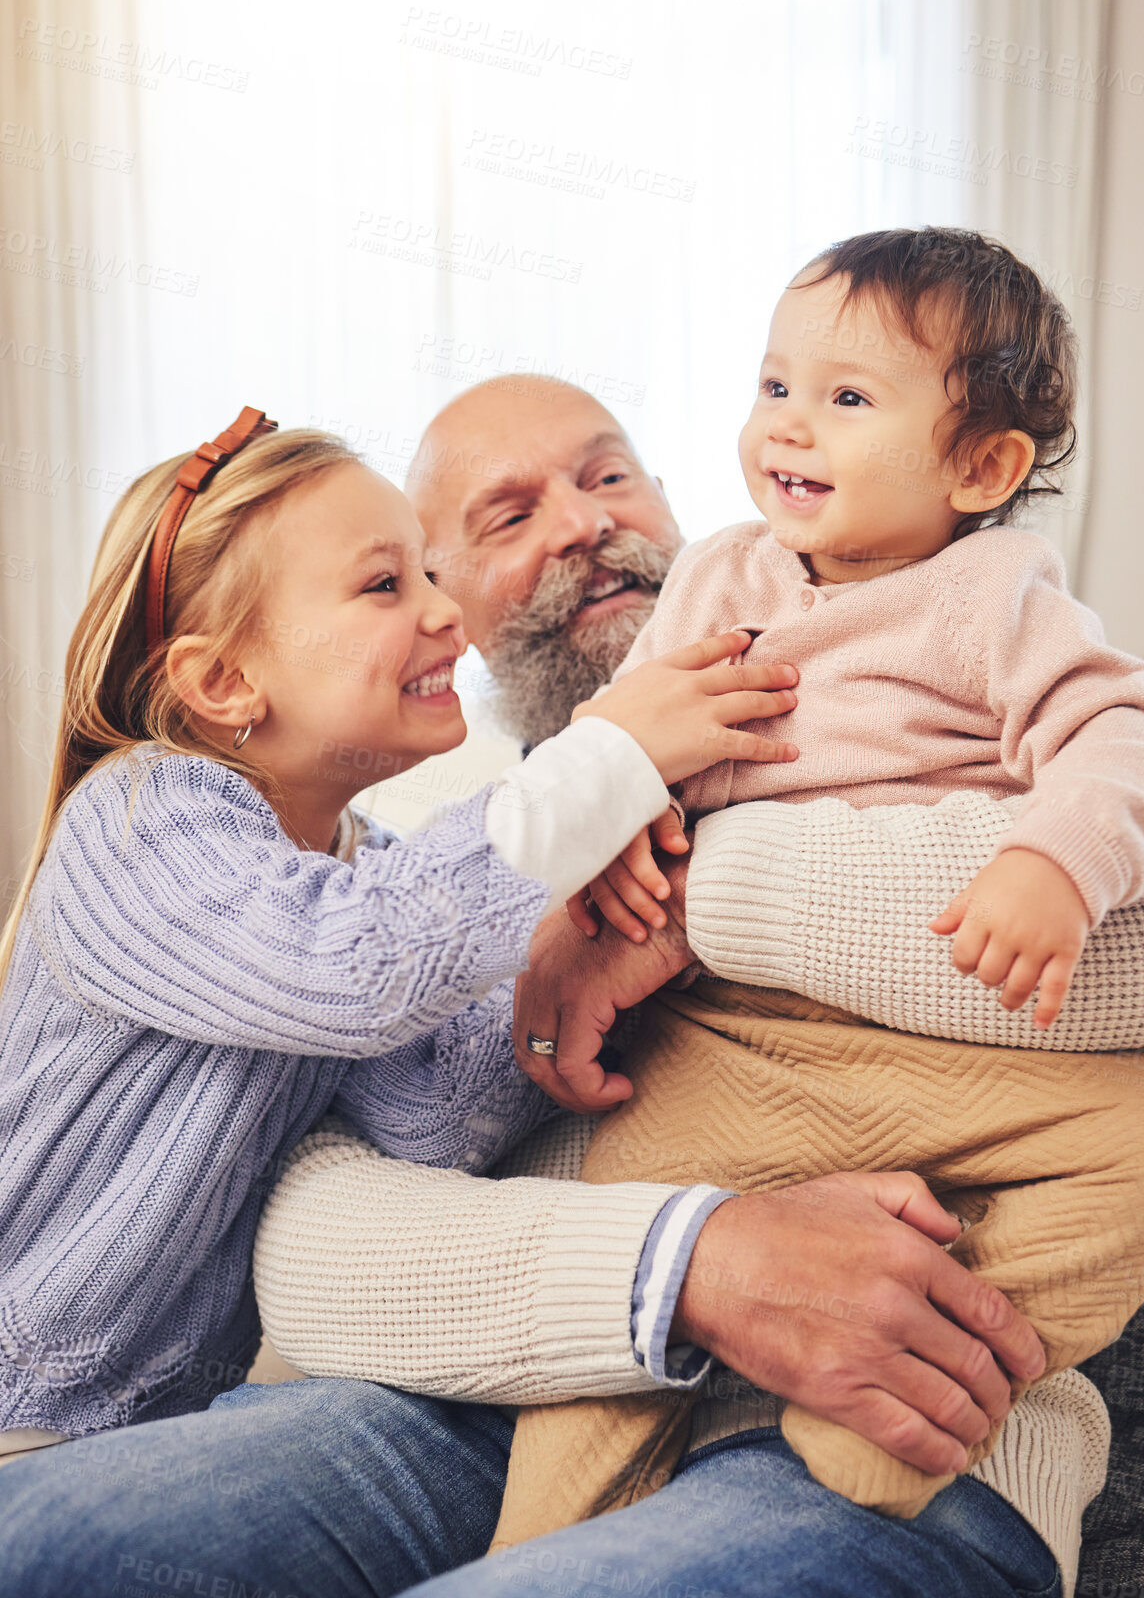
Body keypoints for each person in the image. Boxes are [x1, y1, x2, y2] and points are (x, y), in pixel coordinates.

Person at [0, 380, 1140, 1598]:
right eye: (500, 516)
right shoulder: (416, 849)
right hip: (505, 1385)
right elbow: (313, 1219)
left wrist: (693, 895)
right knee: (34, 1577)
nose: (584, 527)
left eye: (611, 476)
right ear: (462, 611)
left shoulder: (924, 686)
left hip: (875, 1424)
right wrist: (693, 1254)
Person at [492, 227, 1144, 1543]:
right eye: (773, 384)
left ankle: (917, 1380)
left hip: (938, 1041)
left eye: (845, 398)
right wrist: (619, 830)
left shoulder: (991, 589)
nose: (786, 425)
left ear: (981, 465)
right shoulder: (719, 572)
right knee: (622, 1273)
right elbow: (627, 735)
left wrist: (1051, 862)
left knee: (1137, 1147)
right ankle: (533, 1543)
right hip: (724, 1043)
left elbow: (1116, 736)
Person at [0, 409, 799, 1458]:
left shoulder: (360, 862)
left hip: (128, 1433)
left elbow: (427, 1117)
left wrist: (574, 960)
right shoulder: (142, 819)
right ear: (223, 683)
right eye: (387, 586)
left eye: (432, 574)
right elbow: (362, 965)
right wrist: (608, 751)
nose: (447, 616)